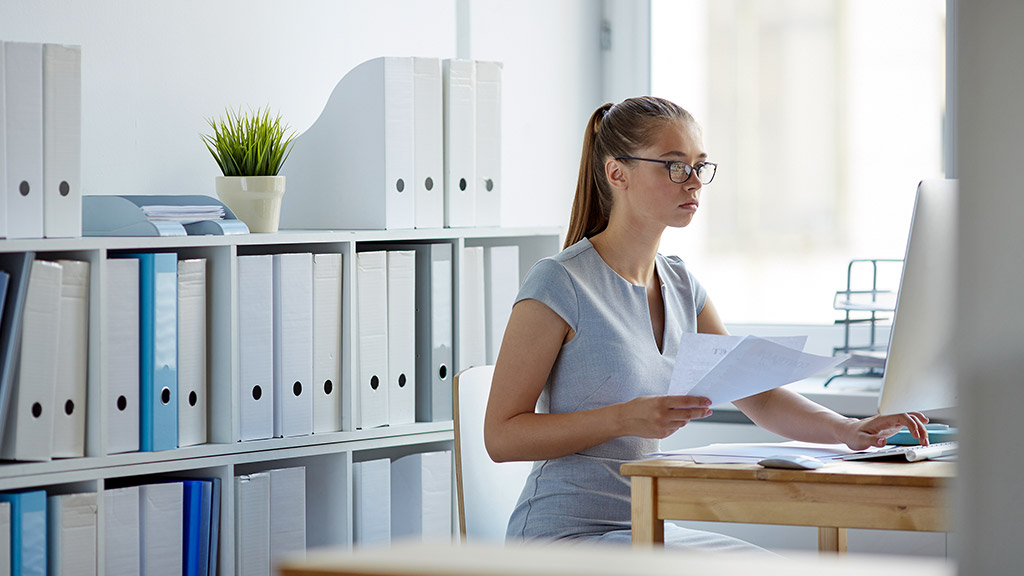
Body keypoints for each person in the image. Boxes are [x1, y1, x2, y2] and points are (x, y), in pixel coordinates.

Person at [483, 96, 930, 550]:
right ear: (618, 173)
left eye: (700, 166)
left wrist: (848, 430)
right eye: (674, 166)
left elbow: (758, 393)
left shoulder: (680, 284)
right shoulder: (561, 281)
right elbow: (501, 436)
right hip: (565, 534)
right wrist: (624, 418)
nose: (693, 182)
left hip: (648, 526)